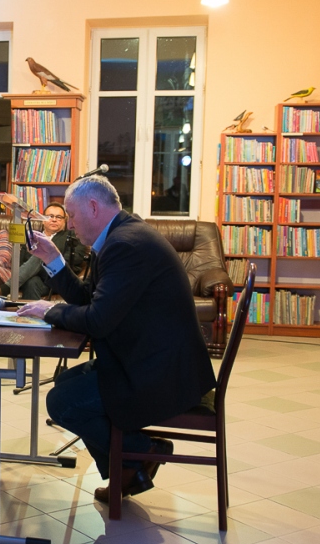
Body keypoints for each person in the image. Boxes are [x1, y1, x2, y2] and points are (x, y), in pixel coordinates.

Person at [17, 176, 216, 504]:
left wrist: (49, 311)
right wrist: (54, 260)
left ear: (94, 207)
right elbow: (88, 298)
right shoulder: (119, 235)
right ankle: (129, 467)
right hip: (150, 358)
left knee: (62, 402)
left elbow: (97, 320)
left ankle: (139, 452)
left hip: (163, 374)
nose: (70, 224)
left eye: (72, 215)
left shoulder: (126, 245)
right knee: (66, 382)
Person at [18, 203, 87, 300]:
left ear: (64, 220)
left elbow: (74, 259)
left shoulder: (73, 236)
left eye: (59, 217)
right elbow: (21, 262)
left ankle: (6, 287)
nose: (54, 220)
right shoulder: (32, 236)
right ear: (42, 220)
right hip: (33, 280)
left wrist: (42, 264)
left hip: (56, 280)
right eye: (50, 216)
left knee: (42, 255)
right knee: (31, 283)